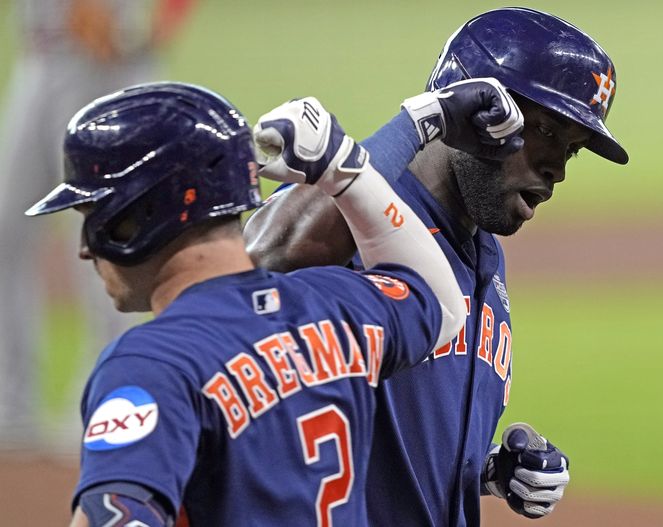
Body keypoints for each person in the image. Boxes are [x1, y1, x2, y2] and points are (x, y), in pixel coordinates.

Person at [24, 78, 526, 526]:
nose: (85, 247)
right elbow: (439, 301)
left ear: (139, 219)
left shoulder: (151, 363)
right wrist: (345, 168)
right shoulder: (338, 311)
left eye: (94, 214)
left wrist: (401, 131)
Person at [243, 7, 628, 525]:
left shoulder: (484, 252)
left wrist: (488, 468)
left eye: (572, 149)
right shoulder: (360, 208)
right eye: (545, 131)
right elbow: (254, 265)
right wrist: (425, 118)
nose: (557, 168)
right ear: (479, 105)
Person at [0, 0, 195, 447]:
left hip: (98, 65)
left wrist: (156, 24)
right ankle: (11, 402)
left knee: (101, 236)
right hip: (38, 58)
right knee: (7, 236)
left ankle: (105, 402)